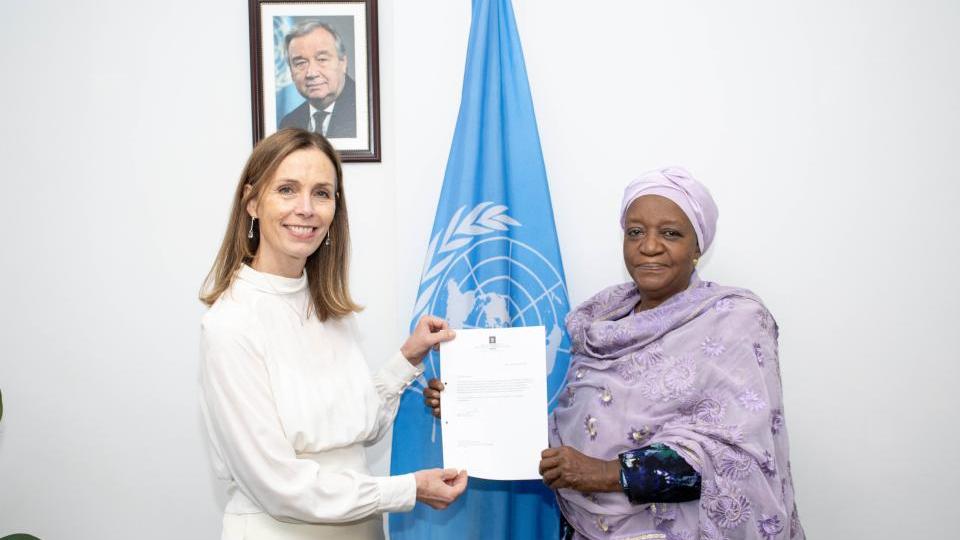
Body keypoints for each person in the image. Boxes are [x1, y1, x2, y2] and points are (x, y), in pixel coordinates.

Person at [425, 167, 803, 539]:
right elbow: (574, 428)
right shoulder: (601, 319)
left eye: (670, 233)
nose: (649, 246)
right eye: (635, 232)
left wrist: (605, 473)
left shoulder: (734, 321)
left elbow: (736, 461)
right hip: (585, 527)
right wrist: (470, 407)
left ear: (697, 246)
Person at [199, 129, 467, 540]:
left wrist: (407, 358)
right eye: (287, 189)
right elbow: (280, 487)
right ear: (252, 202)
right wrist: (407, 489)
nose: (305, 209)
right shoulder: (230, 325)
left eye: (321, 193)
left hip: (361, 529)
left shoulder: (329, 308)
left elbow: (358, 428)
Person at [278, 21, 357, 138]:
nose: (311, 73)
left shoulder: (365, 112)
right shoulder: (288, 124)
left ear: (343, 63)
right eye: (300, 63)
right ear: (291, 72)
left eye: (322, 59)